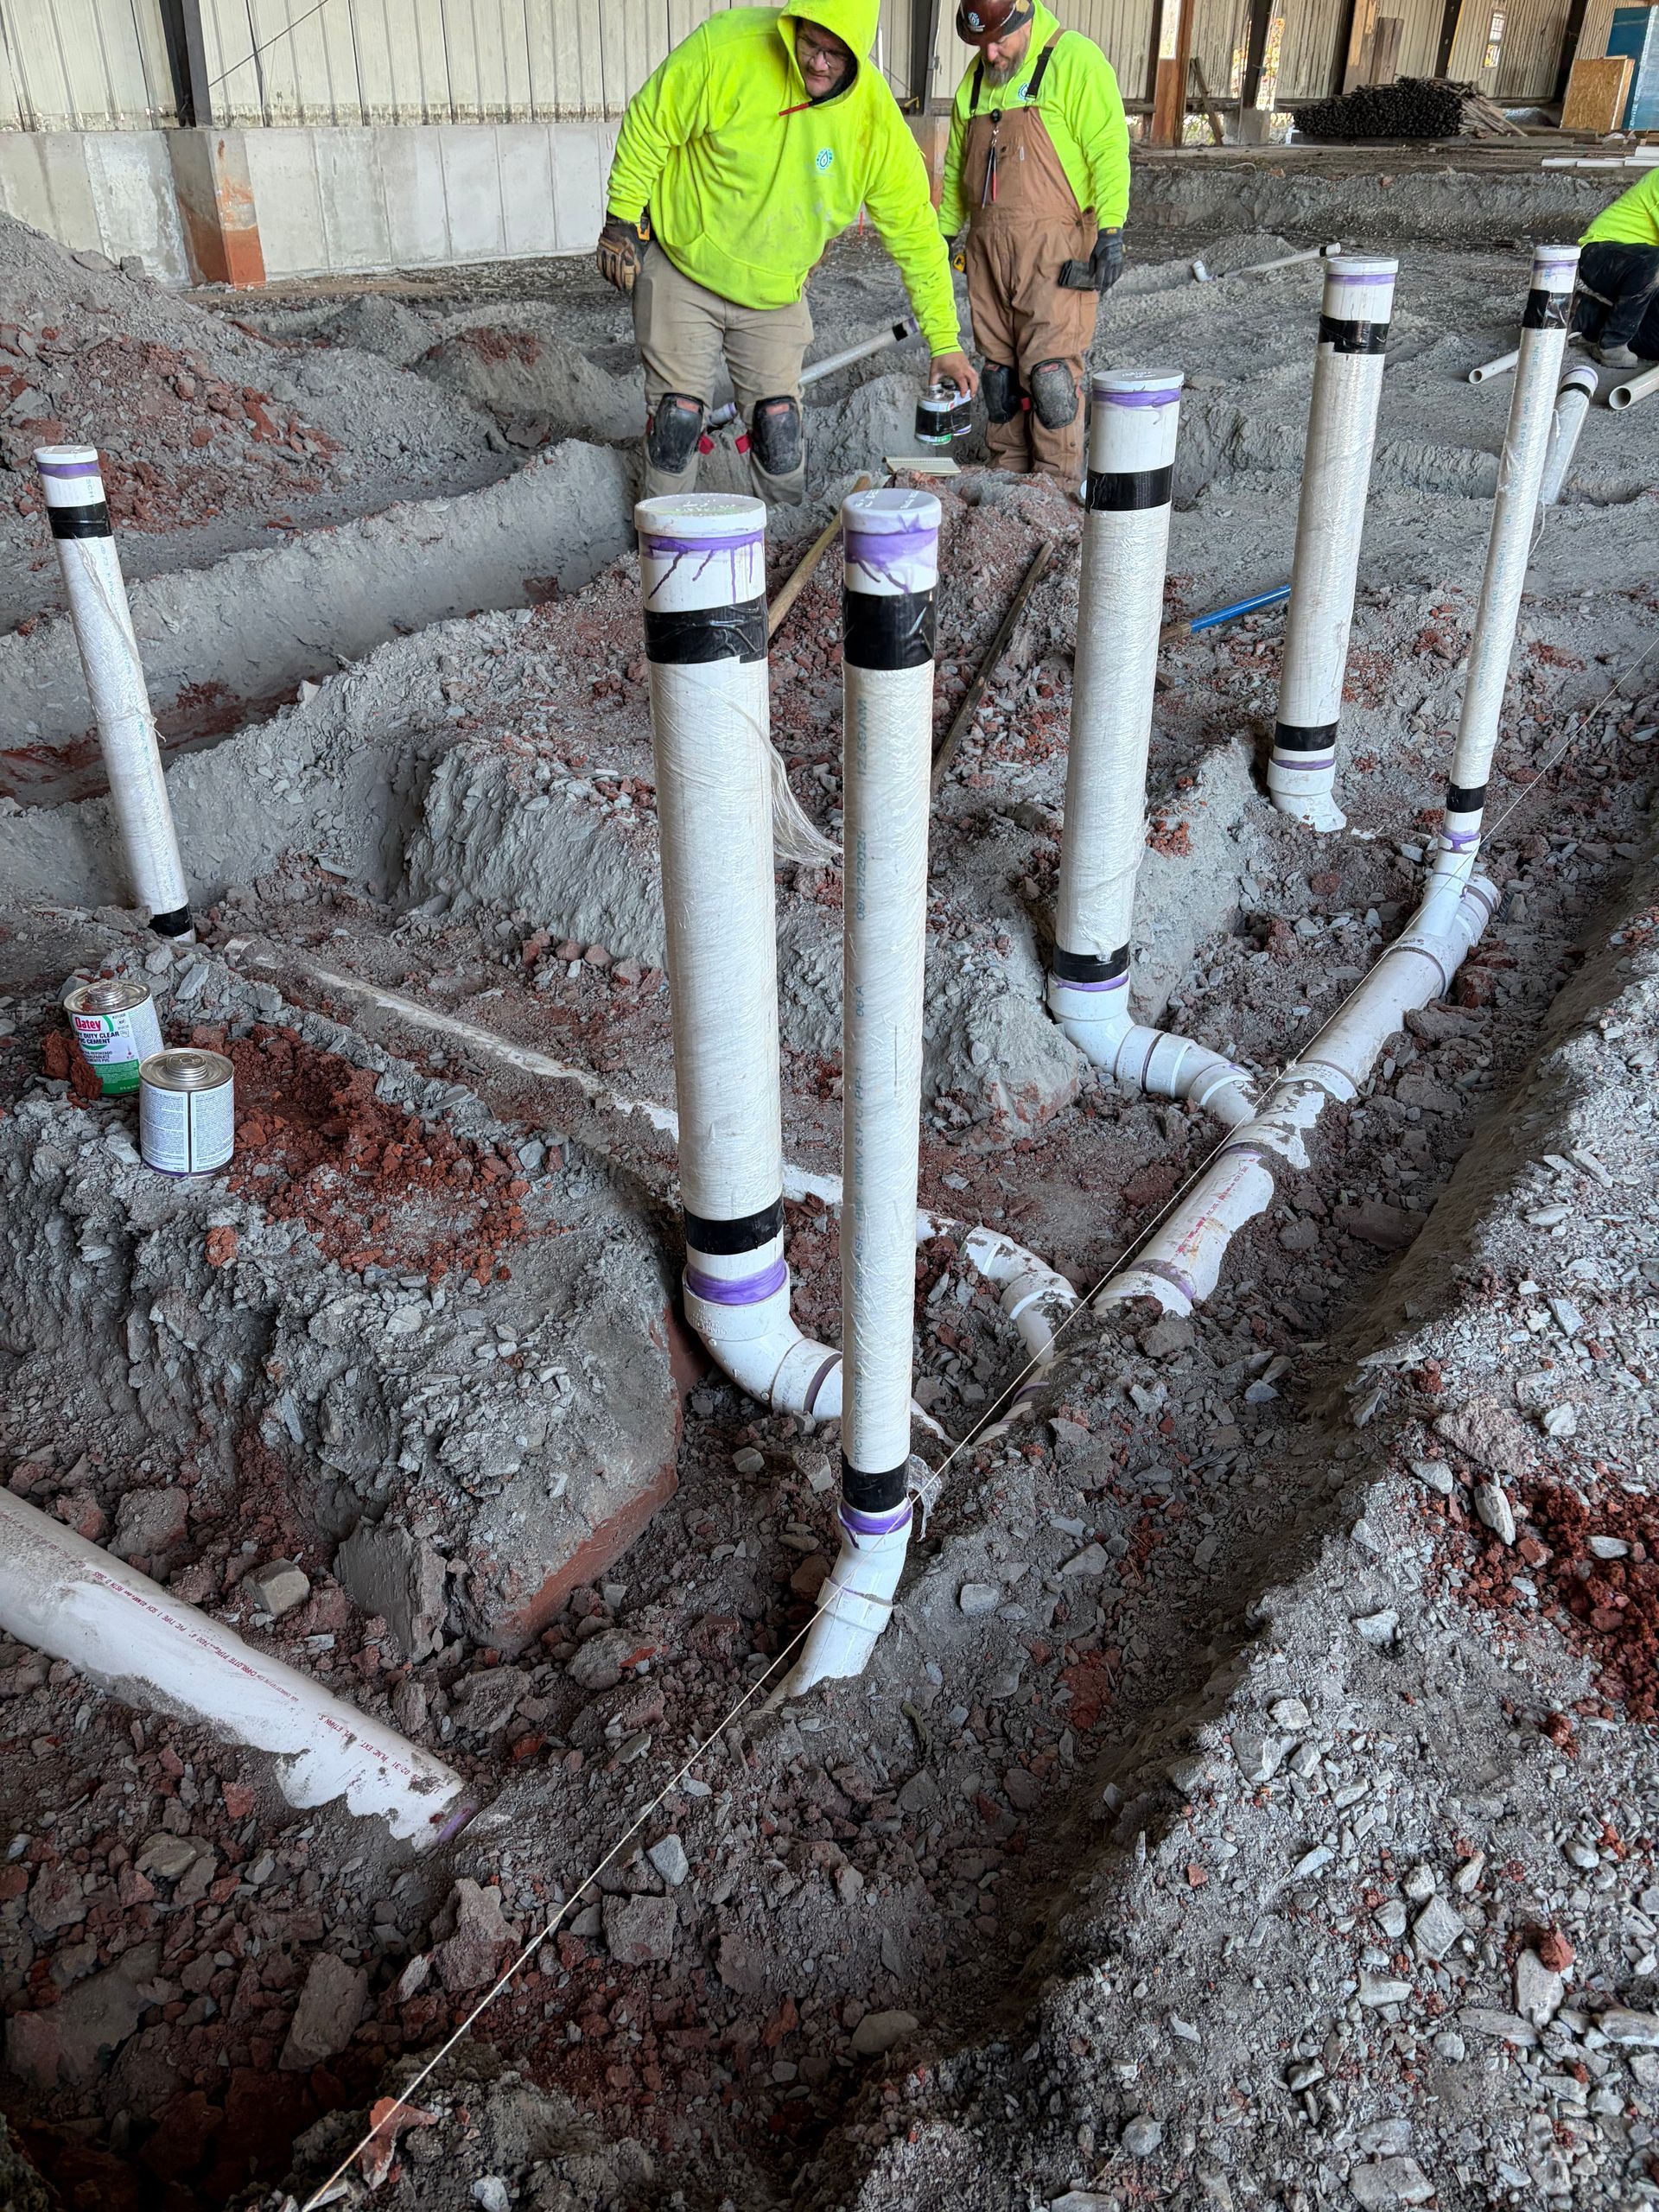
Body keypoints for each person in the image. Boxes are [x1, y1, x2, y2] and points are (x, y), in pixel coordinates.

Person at [596, 2, 976, 505]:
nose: (818, 62)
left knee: (779, 429)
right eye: (809, 45)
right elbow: (652, 120)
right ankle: (660, 556)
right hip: (684, 266)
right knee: (677, 423)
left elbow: (916, 236)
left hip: (775, 289)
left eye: (835, 54)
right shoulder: (729, 49)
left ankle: (777, 549)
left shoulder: (875, 126)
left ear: (859, 55)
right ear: (792, 26)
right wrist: (622, 216)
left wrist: (945, 341)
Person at [940, 0, 1129, 486]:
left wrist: (1110, 230)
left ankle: (1055, 492)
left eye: (999, 40)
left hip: (1055, 255)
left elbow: (1109, 149)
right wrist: (944, 231)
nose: (992, 53)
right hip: (987, 255)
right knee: (999, 379)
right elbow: (958, 165)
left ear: (1026, 17)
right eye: (981, 43)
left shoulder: (1075, 61)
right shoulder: (977, 80)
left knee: (1051, 380)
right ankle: (1007, 489)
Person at [1574, 165, 1659, 368]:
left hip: (1644, 268)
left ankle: (1583, 313)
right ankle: (1612, 343)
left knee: (1655, 343)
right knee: (1654, 263)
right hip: (1601, 254)